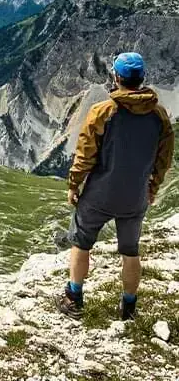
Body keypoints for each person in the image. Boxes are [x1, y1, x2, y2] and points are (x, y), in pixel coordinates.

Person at [55, 52, 175, 321]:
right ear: (142, 78)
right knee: (130, 251)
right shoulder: (160, 115)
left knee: (81, 243)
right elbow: (164, 159)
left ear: (117, 77)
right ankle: (129, 307)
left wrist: (74, 185)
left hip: (99, 194)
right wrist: (152, 188)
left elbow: (85, 155)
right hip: (135, 196)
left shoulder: (103, 111)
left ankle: (74, 297)